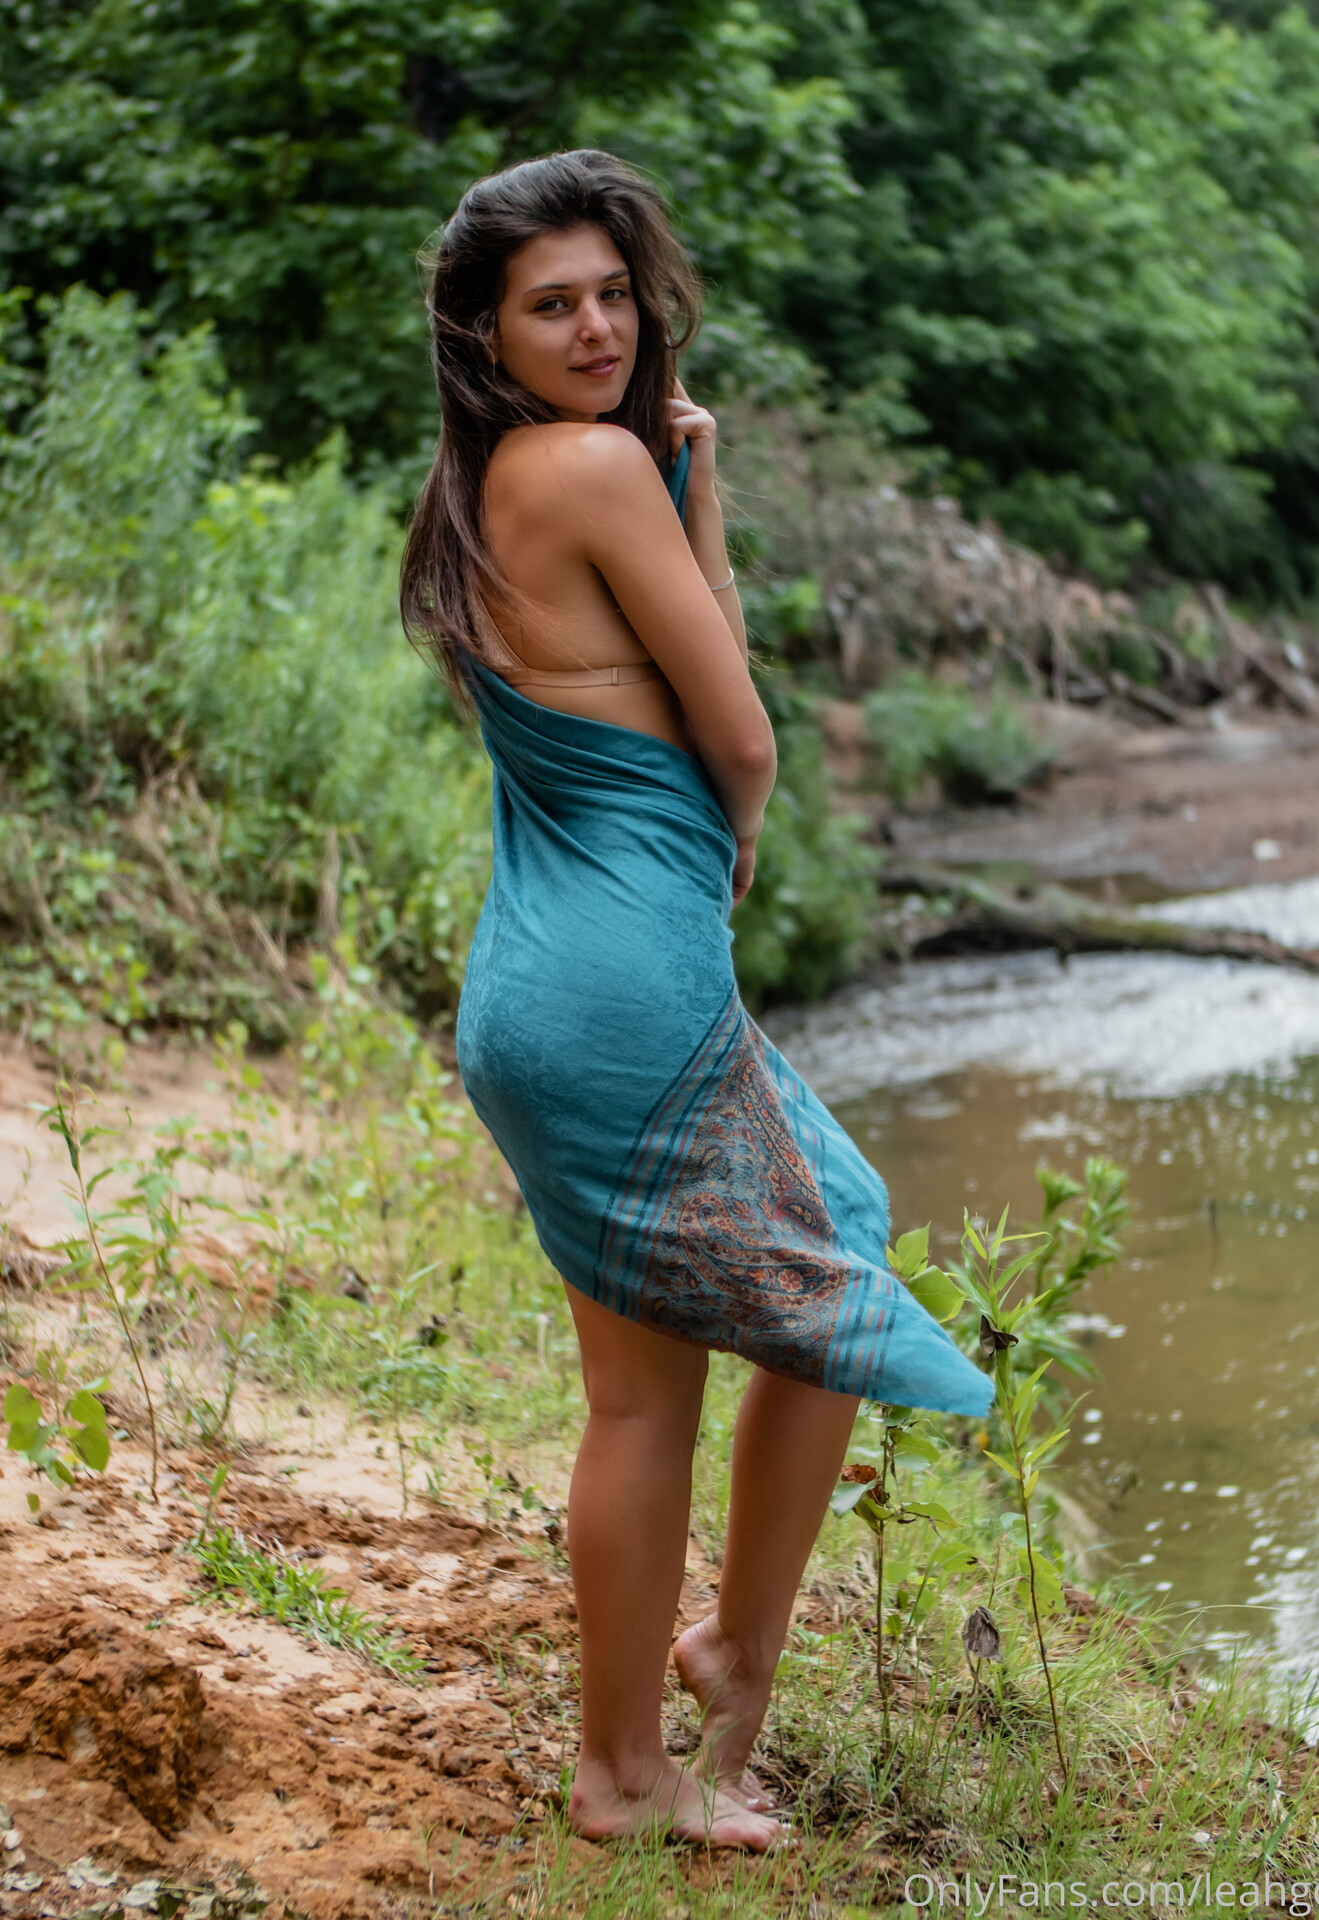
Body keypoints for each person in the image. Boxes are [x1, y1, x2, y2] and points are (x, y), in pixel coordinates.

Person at [400, 149, 993, 1852]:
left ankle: (720, 1659)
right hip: (621, 993)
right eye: (551, 306)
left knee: (838, 1236)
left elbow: (685, 659)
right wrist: (735, 832)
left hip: (547, 985)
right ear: (486, 332)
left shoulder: (496, 484)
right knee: (662, 1385)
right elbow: (738, 727)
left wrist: (700, 486)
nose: (596, 327)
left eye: (611, 294)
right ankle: (627, 1770)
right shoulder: (585, 465)